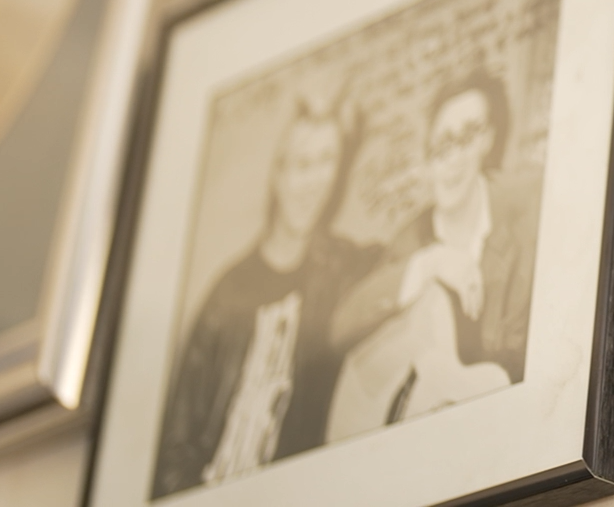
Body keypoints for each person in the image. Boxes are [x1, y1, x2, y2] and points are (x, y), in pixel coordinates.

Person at [151, 105, 374, 498]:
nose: (314, 182)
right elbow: (176, 443)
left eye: (327, 163)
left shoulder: (342, 269)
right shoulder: (227, 295)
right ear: (278, 173)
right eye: (303, 164)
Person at [325, 71, 540, 439]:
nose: (451, 158)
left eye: (467, 136)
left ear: (488, 141)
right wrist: (430, 263)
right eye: (440, 144)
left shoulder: (529, 208)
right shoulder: (411, 239)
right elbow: (339, 329)